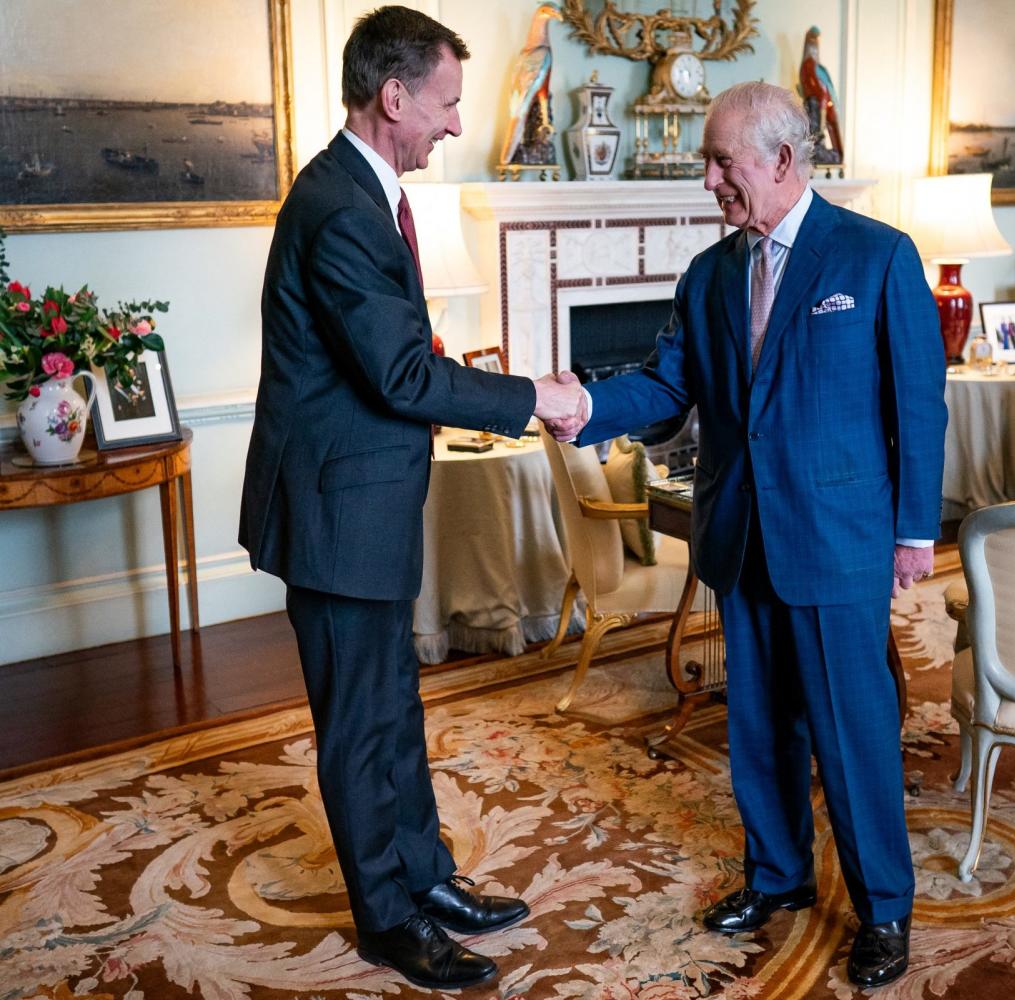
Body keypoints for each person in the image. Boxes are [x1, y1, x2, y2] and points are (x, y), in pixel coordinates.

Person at [546, 82, 946, 989]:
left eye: (722, 161)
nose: (708, 179)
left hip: (840, 535)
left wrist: (913, 529)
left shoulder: (876, 256)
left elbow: (919, 403)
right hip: (741, 532)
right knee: (759, 725)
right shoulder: (710, 271)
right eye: (706, 161)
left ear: (782, 160)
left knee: (852, 730)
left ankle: (885, 907)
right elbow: (665, 385)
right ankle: (779, 878)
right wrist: (587, 406)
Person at [238, 7, 582, 992]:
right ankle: (389, 916)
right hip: (335, 513)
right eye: (445, 103)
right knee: (359, 723)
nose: (453, 124)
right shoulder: (342, 206)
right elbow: (397, 372)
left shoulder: (368, 191)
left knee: (393, 706)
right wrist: (532, 397)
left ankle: (425, 877)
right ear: (395, 97)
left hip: (367, 503)